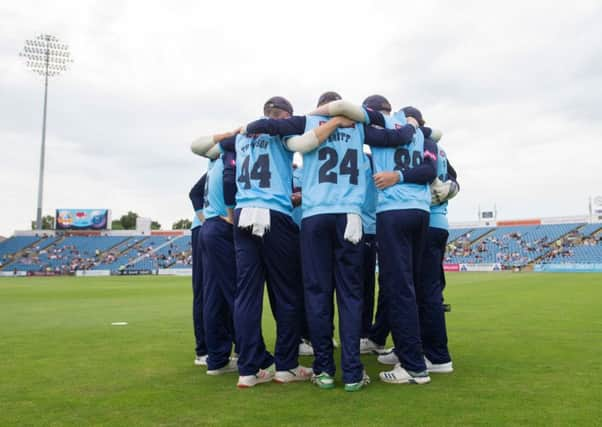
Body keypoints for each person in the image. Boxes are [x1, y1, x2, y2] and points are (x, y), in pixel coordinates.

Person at [244, 94, 418, 391]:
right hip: (349, 217)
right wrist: (412, 125)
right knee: (350, 295)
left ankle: (324, 368)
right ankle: (351, 371)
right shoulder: (359, 126)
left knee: (317, 294)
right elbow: (396, 136)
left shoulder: (308, 122)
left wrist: (317, 117)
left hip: (314, 217)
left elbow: (260, 125)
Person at [315, 98, 438, 385]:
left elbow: (341, 109)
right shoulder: (420, 132)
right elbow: (430, 169)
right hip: (420, 213)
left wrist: (316, 115)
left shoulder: (377, 124)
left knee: (398, 289)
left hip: (393, 212)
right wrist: (411, 128)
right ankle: (413, 353)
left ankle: (413, 366)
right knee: (412, 286)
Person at [195, 96, 312, 388]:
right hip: (275, 212)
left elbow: (200, 147)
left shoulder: (240, 139)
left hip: (244, 216)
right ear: (284, 115)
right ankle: (286, 366)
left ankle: (249, 369)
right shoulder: (283, 132)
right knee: (286, 294)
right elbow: (305, 138)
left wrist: (232, 132)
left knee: (246, 295)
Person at [378, 113, 458, 374]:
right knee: (421, 289)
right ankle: (414, 349)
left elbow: (435, 175)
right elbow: (455, 181)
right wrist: (450, 188)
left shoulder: (418, 142)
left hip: (426, 219)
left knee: (424, 291)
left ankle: (435, 355)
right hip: (434, 221)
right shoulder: (438, 147)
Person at [190, 143, 238, 375]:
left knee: (214, 294)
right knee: (226, 292)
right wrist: (222, 216)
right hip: (217, 226)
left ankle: (218, 354)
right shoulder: (227, 158)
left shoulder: (216, 161)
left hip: (210, 225)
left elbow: (195, 192)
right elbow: (195, 192)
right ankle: (238, 352)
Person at [189, 173, 208, 366]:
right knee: (203, 290)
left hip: (223, 227)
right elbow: (195, 193)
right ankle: (203, 350)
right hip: (206, 228)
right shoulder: (223, 159)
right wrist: (205, 220)